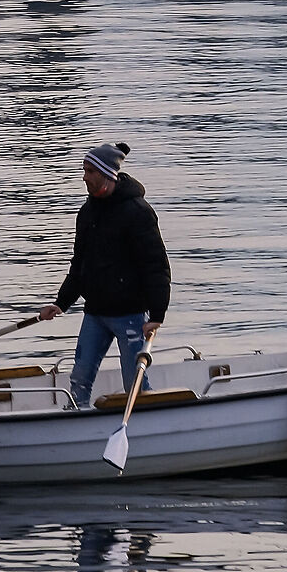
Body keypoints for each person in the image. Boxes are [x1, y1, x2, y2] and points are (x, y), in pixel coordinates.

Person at [39, 143, 171, 403]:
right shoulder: (87, 213)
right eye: (84, 170)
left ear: (106, 174)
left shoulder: (138, 213)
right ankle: (76, 419)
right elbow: (80, 265)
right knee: (80, 376)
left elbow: (155, 265)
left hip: (131, 315)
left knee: (134, 381)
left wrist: (157, 315)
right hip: (96, 313)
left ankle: (144, 421)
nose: (84, 177)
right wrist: (61, 302)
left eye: (89, 171)